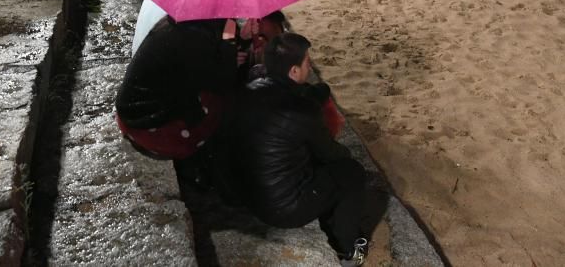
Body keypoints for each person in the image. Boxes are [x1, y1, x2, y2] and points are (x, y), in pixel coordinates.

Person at [228, 33, 387, 265]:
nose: (310, 65)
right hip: (282, 209)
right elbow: (331, 153)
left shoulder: (247, 90)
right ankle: (347, 248)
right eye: (307, 62)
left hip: (247, 193)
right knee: (351, 171)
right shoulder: (301, 110)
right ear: (294, 71)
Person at [115, 17, 241, 160]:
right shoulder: (194, 38)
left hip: (131, 110)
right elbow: (223, 82)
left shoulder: (177, 23)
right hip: (147, 127)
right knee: (222, 101)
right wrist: (230, 37)